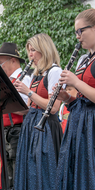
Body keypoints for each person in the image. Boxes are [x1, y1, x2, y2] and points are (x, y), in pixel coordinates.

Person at [13, 33, 63, 190]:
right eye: (29, 50)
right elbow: (30, 106)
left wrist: (28, 92)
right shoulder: (37, 74)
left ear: (44, 49)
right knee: (30, 171)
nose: (30, 54)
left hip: (46, 128)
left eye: (33, 49)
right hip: (31, 126)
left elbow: (53, 107)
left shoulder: (54, 71)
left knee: (43, 173)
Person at [54, 8, 95, 190]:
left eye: (81, 31)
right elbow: (81, 97)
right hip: (80, 124)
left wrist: (76, 81)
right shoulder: (85, 59)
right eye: (75, 32)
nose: (78, 36)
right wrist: (67, 98)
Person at [0, 42, 32, 190]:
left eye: (2, 63)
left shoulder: (24, 78)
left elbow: (29, 108)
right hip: (5, 129)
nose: (0, 66)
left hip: (17, 129)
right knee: (7, 172)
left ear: (13, 60)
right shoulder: (6, 81)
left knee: (17, 169)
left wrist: (6, 102)